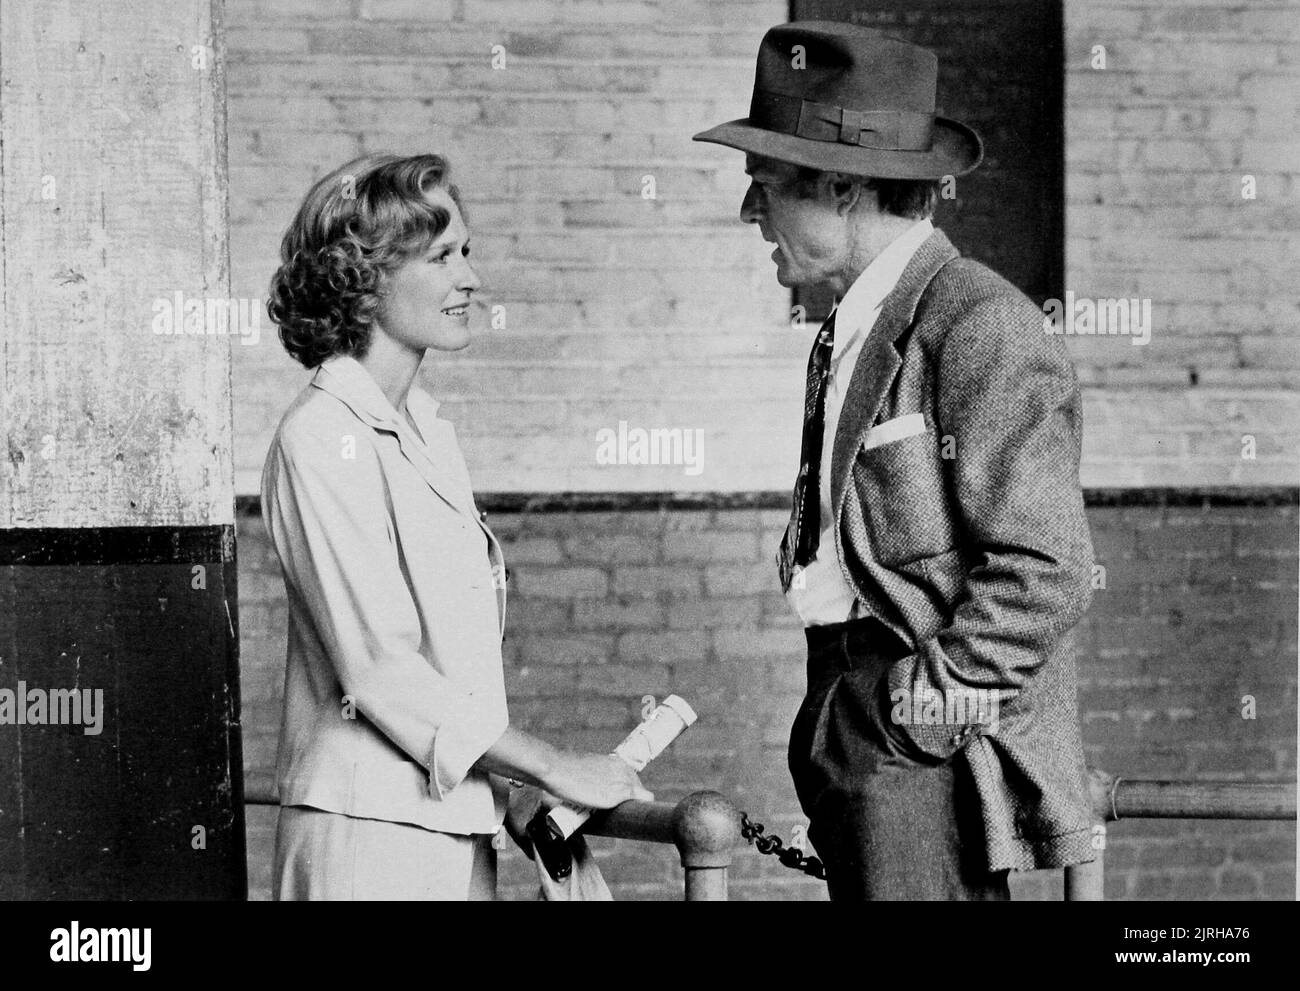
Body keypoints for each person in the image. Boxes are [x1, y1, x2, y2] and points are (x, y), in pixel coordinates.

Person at [694, 21, 1096, 900]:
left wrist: (908, 716)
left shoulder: (979, 323)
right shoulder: (849, 327)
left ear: (841, 186)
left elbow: (1047, 571)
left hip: (915, 740)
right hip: (850, 709)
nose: (749, 212)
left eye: (764, 186)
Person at [261, 152, 651, 900]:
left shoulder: (428, 433)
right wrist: (550, 762)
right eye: (442, 256)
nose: (470, 278)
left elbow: (453, 671)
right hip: (366, 835)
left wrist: (511, 788)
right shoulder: (320, 436)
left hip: (455, 823)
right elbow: (382, 668)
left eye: (465, 252)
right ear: (363, 277)